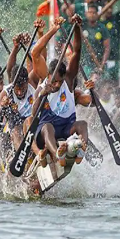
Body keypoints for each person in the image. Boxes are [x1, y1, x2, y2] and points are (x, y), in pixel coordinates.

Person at [30, 15, 88, 168]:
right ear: (48, 76)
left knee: (82, 124)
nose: (56, 85)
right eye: (53, 81)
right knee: (47, 127)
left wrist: (76, 28)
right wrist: (53, 30)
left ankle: (81, 150)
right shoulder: (42, 86)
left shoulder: (68, 81)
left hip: (67, 127)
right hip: (47, 132)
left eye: (59, 81)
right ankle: (58, 154)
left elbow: (77, 51)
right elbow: (33, 114)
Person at [100, 0, 120, 83]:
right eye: (107, 7)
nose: (109, 10)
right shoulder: (97, 23)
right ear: (101, 8)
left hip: (114, 58)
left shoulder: (116, 18)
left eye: (111, 7)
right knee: (102, 84)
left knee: (114, 84)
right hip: (101, 60)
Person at [81, 3, 110, 77]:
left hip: (99, 64)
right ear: (86, 13)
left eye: (94, 13)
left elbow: (107, 48)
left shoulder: (102, 28)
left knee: (102, 85)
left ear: (97, 14)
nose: (92, 15)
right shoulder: (81, 25)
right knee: (87, 85)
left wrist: (102, 65)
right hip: (86, 64)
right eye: (90, 12)